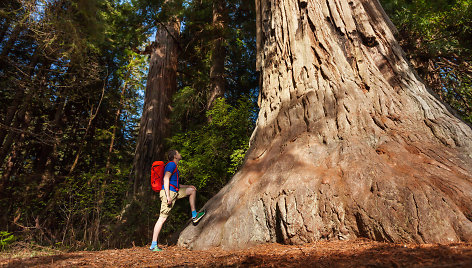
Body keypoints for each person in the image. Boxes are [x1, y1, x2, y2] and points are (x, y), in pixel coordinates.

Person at [149, 149, 206, 252]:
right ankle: (153, 245)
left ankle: (194, 215)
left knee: (192, 190)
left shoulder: (174, 166)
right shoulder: (171, 165)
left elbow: (175, 184)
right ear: (175, 156)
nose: (180, 154)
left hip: (174, 191)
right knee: (162, 218)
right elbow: (166, 179)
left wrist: (188, 186)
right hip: (169, 193)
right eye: (178, 153)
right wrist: (168, 196)